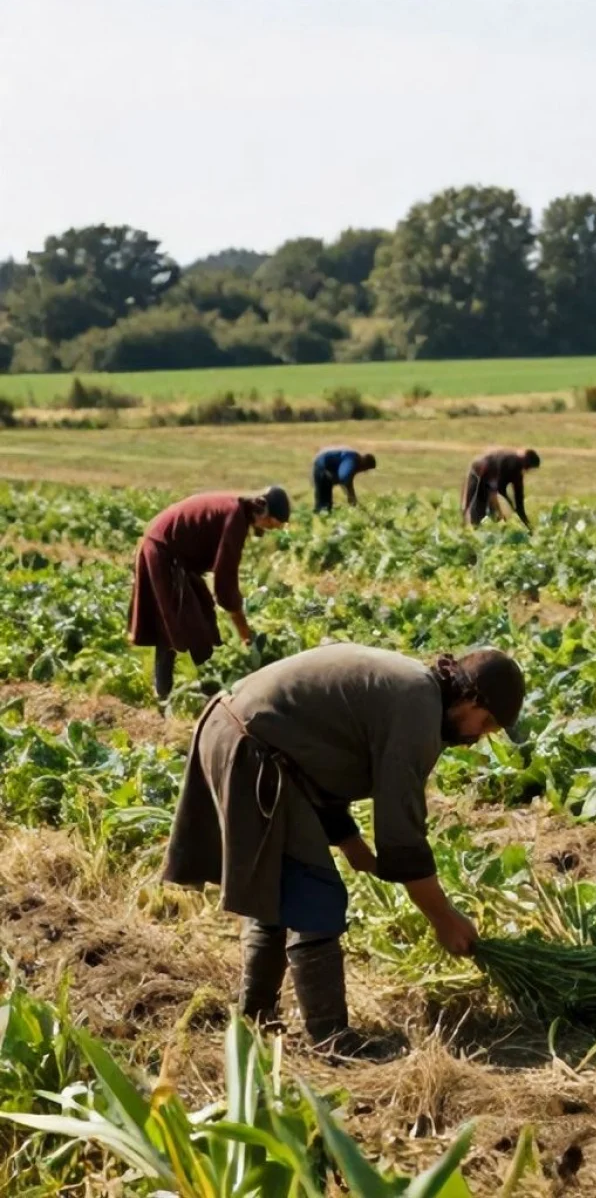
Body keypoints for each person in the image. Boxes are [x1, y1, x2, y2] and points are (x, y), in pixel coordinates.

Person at [162, 643, 525, 1058]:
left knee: (279, 888)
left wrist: (349, 841)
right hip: (253, 746)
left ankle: (255, 1014)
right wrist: (443, 918)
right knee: (316, 892)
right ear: (471, 697)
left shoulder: (414, 691)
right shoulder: (417, 705)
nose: (479, 737)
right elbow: (401, 827)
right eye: (487, 722)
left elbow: (318, 755)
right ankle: (331, 1039)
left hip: (240, 733)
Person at [128, 487, 291, 700]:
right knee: (178, 622)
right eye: (271, 524)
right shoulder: (235, 518)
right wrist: (244, 631)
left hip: (174, 554)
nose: (269, 529)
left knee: (201, 614)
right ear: (264, 513)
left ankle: (204, 683)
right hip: (164, 551)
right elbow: (225, 580)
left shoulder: (238, 510)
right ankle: (176, 690)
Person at [461, 448, 540, 531]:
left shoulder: (517, 471)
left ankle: (485, 528)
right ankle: (470, 528)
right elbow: (497, 488)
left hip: (490, 481)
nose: (526, 469)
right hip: (481, 472)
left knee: (495, 516)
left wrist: (528, 526)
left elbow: (519, 503)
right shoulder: (509, 460)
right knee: (479, 511)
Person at [312, 447, 377, 513]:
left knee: (326, 503)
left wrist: (351, 495)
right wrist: (351, 495)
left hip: (324, 466)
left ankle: (321, 513)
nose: (363, 471)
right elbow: (344, 476)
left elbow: (345, 479)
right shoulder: (352, 460)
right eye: (366, 469)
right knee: (324, 504)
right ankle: (320, 514)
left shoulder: (353, 459)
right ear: (364, 463)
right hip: (322, 467)